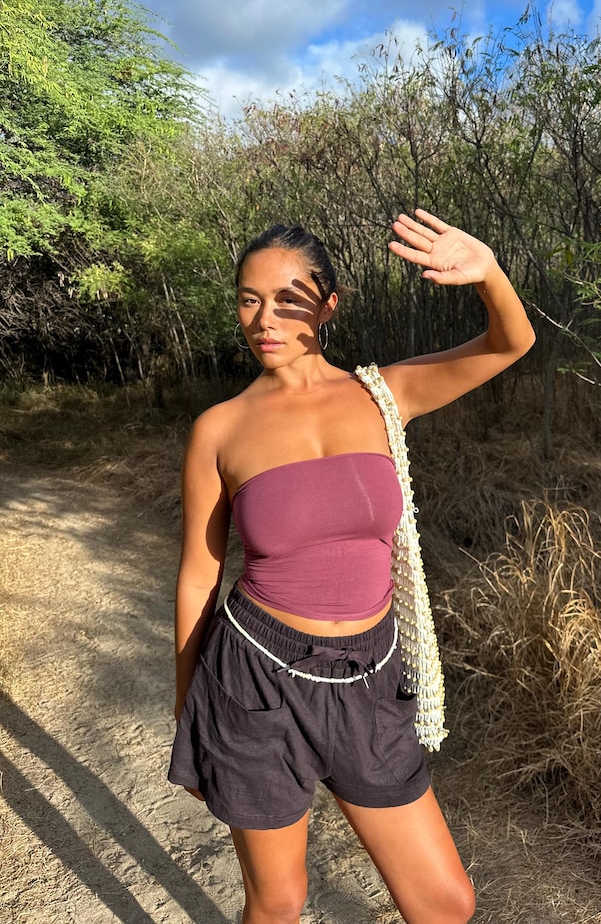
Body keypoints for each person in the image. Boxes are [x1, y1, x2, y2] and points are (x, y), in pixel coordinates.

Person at [168, 208, 535, 924]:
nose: (264, 317)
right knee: (278, 902)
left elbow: (509, 343)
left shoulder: (382, 394)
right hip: (255, 683)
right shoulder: (220, 427)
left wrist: (488, 272)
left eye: (288, 298)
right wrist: (189, 713)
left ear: (329, 304)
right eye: (248, 298)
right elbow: (196, 577)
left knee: (445, 903)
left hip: (370, 678)